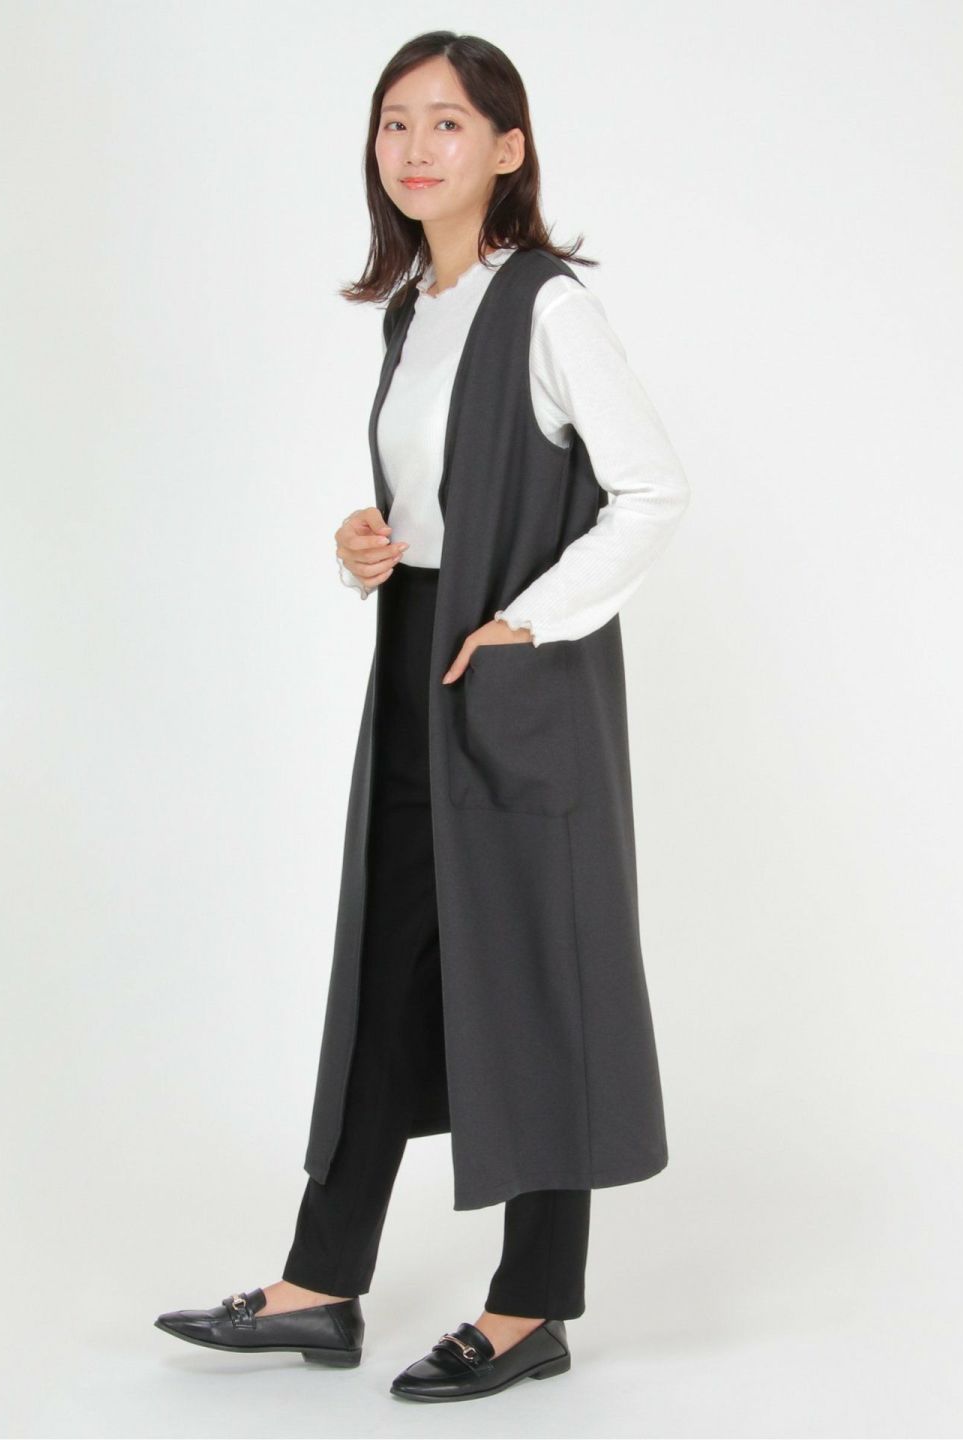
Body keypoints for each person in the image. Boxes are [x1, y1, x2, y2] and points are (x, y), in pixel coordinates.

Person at [155, 29, 689, 1403]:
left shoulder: (549, 306)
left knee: (535, 967)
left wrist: (530, 625)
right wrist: (371, 545)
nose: (414, 146)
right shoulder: (414, 312)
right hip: (416, 659)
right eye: (395, 121)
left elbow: (651, 492)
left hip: (516, 680)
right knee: (385, 969)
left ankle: (531, 1307)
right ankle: (319, 1284)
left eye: (447, 122)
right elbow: (441, 501)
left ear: (508, 149)